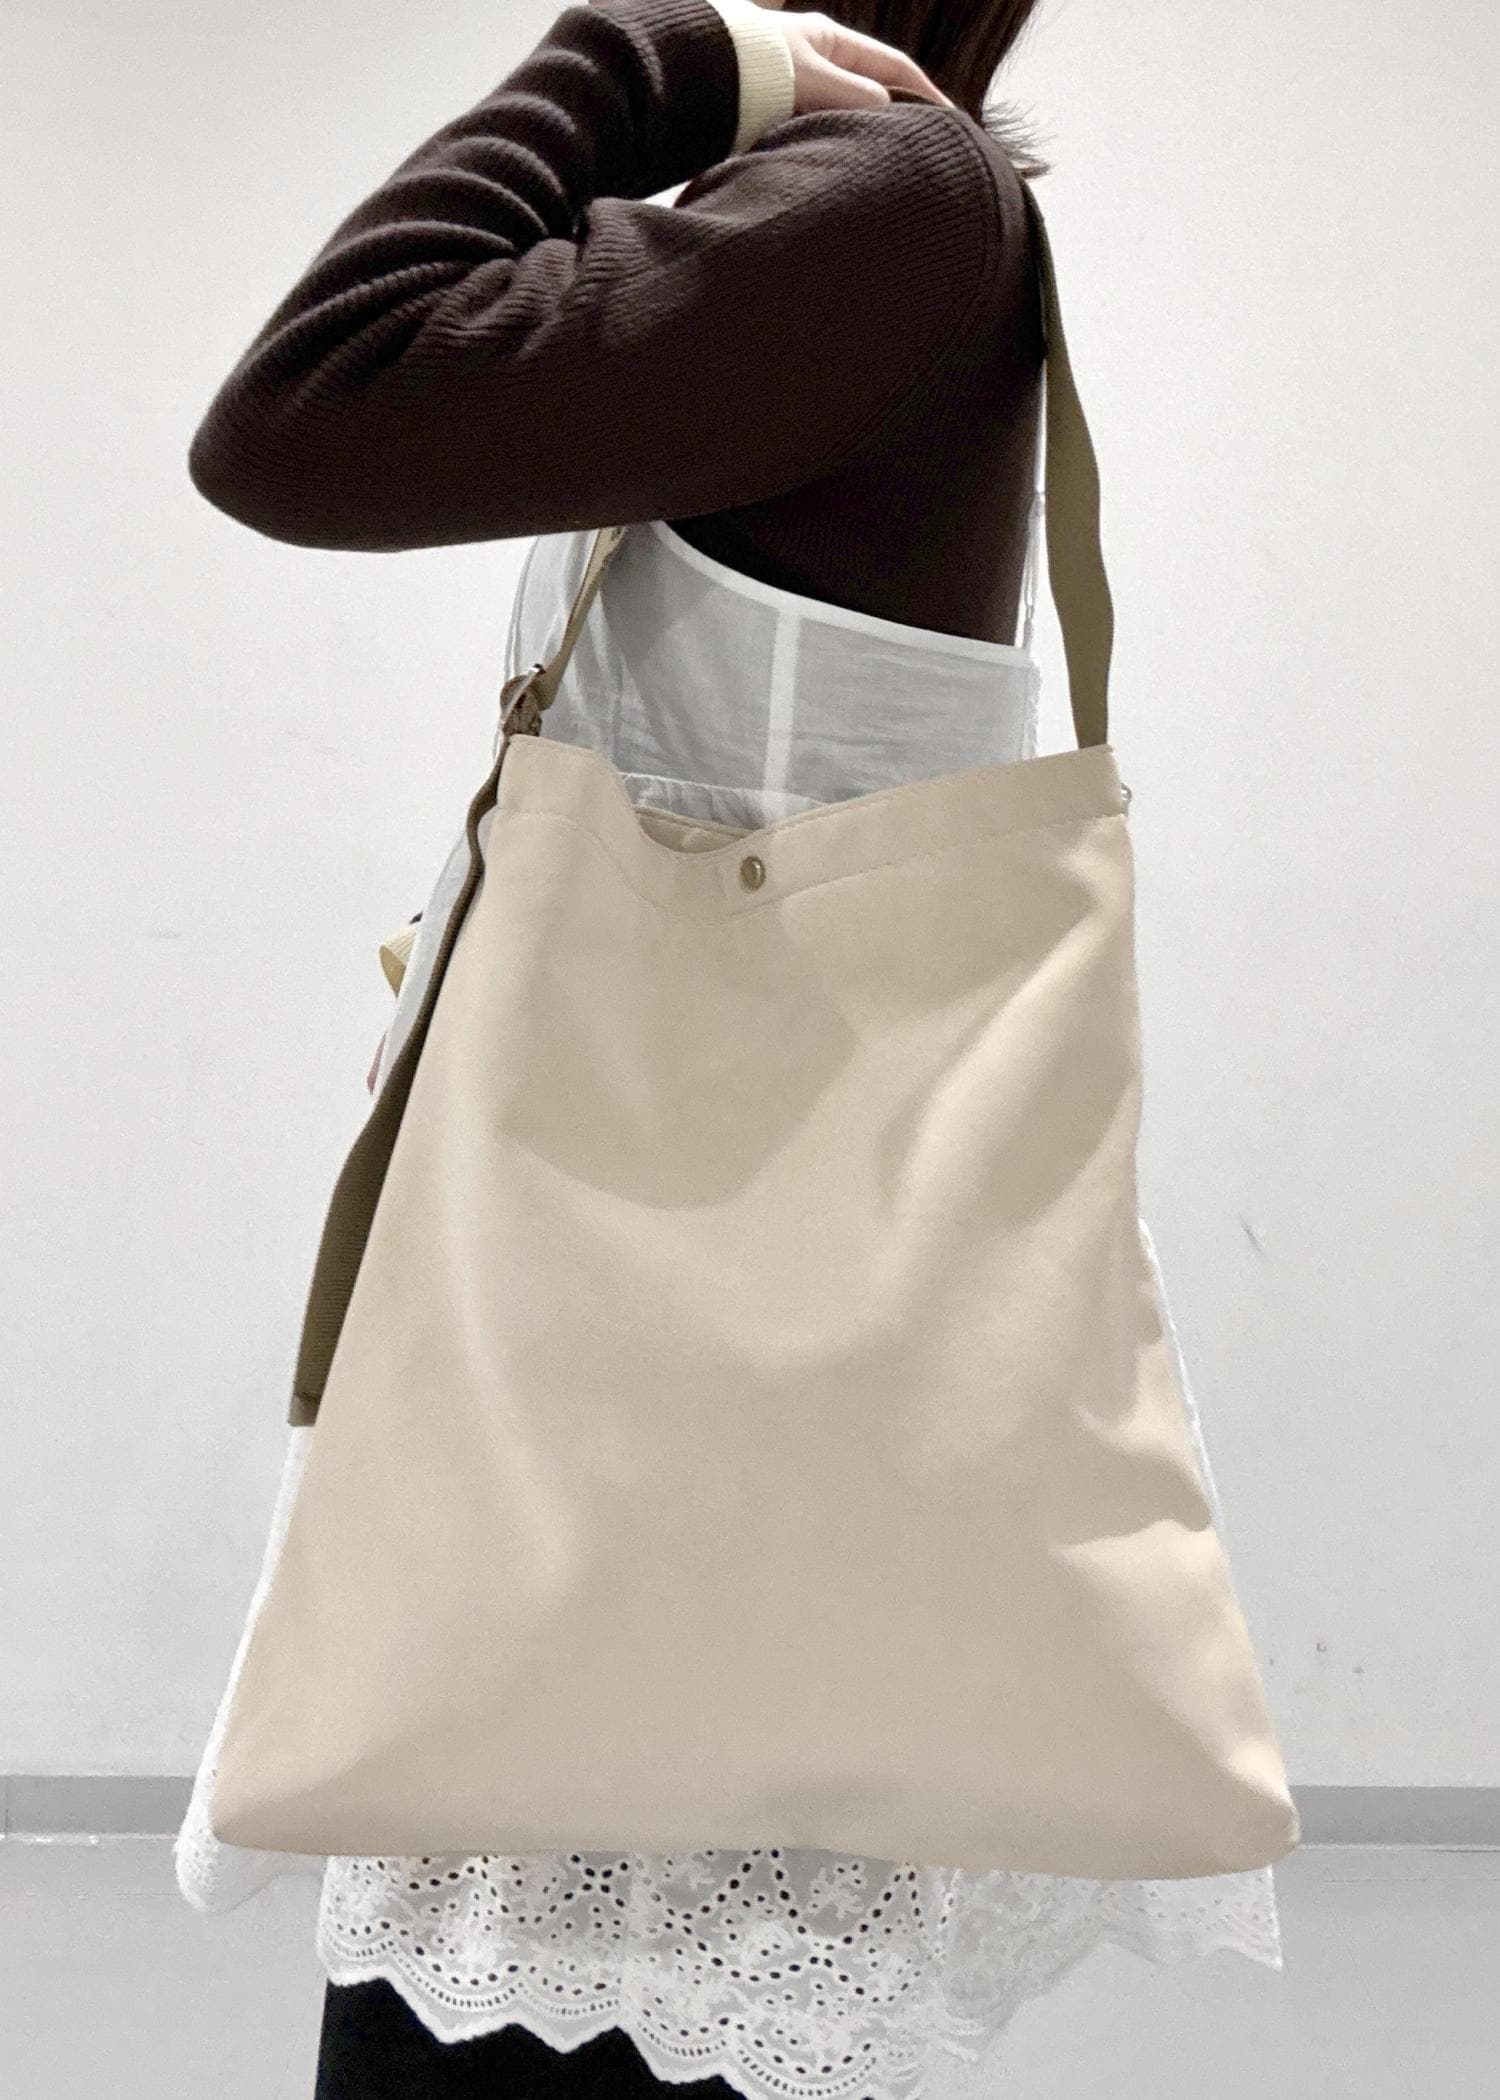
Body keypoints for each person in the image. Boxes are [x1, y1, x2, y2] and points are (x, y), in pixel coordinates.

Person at [176, 4, 1286, 2095]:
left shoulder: (888, 203)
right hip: (709, 1394)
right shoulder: (865, 213)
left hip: (665, 1420)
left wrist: (641, 59)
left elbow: (302, 411)